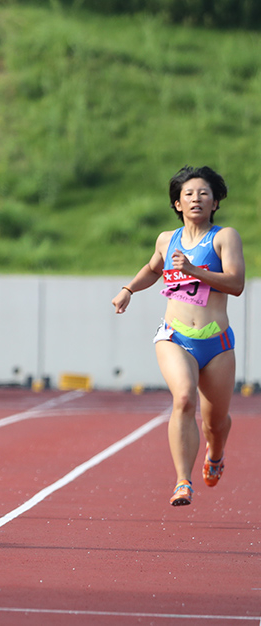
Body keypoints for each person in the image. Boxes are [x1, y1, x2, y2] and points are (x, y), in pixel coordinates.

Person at [112, 166, 244, 507]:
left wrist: (194, 271)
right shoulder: (165, 239)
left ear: (215, 202)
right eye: (189, 194)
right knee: (184, 398)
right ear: (177, 203)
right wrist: (129, 288)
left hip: (216, 343)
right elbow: (153, 269)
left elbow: (237, 284)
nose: (196, 199)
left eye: (203, 193)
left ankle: (215, 454)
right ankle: (183, 481)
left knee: (215, 423)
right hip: (175, 336)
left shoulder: (223, 237)